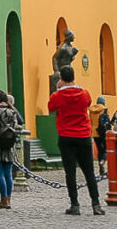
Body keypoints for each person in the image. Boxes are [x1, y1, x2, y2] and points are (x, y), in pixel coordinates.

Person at [48, 65, 105, 215]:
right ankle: (96, 204)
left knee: (70, 172)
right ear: (73, 76)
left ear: (61, 79)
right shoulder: (84, 93)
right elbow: (87, 103)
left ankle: (75, 205)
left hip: (66, 136)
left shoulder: (57, 96)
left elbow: (51, 107)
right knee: (89, 172)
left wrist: (58, 89)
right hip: (84, 136)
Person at [89, 96, 109, 175]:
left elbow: (90, 121)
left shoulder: (91, 110)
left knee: (99, 149)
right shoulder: (105, 110)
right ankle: (102, 161)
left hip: (94, 133)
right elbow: (107, 123)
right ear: (103, 102)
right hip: (103, 133)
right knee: (106, 148)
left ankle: (101, 167)